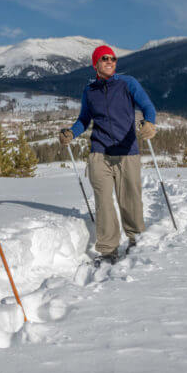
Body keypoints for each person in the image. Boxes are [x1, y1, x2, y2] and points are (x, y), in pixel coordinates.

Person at [60, 45, 157, 263]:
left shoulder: (128, 83)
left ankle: (135, 239)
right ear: (95, 63)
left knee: (130, 199)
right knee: (103, 201)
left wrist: (150, 123)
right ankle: (107, 250)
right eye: (105, 59)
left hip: (127, 152)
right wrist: (71, 133)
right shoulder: (90, 91)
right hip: (99, 152)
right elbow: (84, 120)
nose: (110, 61)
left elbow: (148, 106)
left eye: (113, 58)